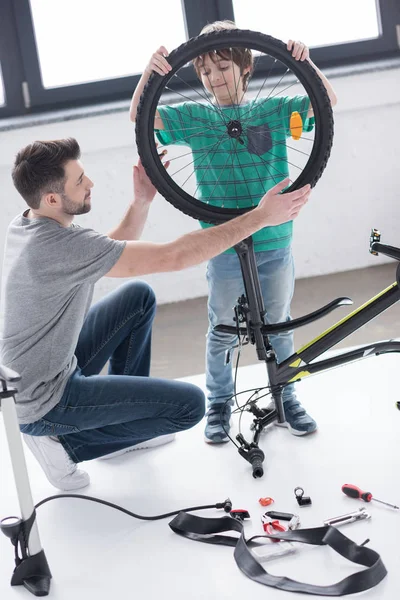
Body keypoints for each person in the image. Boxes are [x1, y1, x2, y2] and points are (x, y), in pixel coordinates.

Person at [0, 137, 310, 491]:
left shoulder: (28, 223)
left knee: (138, 296)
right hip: (44, 402)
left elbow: (110, 252)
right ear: (52, 198)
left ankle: (124, 427)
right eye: (79, 181)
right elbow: (172, 257)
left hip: (38, 374)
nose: (91, 184)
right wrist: (260, 217)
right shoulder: (59, 246)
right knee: (189, 407)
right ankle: (66, 445)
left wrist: (142, 200)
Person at [129, 20, 337, 444]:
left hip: (274, 242)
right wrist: (147, 77)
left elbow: (326, 105)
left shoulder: (275, 111)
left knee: (278, 323)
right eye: (204, 72)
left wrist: (308, 63)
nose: (212, 78)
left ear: (246, 67)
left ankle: (287, 395)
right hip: (222, 244)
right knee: (222, 326)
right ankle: (219, 403)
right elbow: (141, 118)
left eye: (222, 67)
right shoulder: (195, 118)